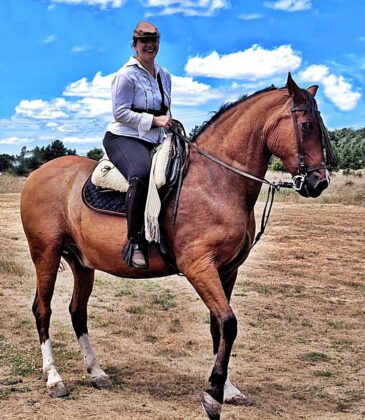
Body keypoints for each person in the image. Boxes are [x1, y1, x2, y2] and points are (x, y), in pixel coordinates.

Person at [103, 21, 172, 269]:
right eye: (144, 41)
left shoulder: (164, 75)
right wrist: (154, 120)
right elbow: (120, 113)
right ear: (135, 45)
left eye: (154, 40)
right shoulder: (126, 75)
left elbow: (165, 109)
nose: (149, 45)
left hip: (155, 139)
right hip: (124, 138)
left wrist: (168, 124)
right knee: (141, 172)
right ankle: (135, 242)